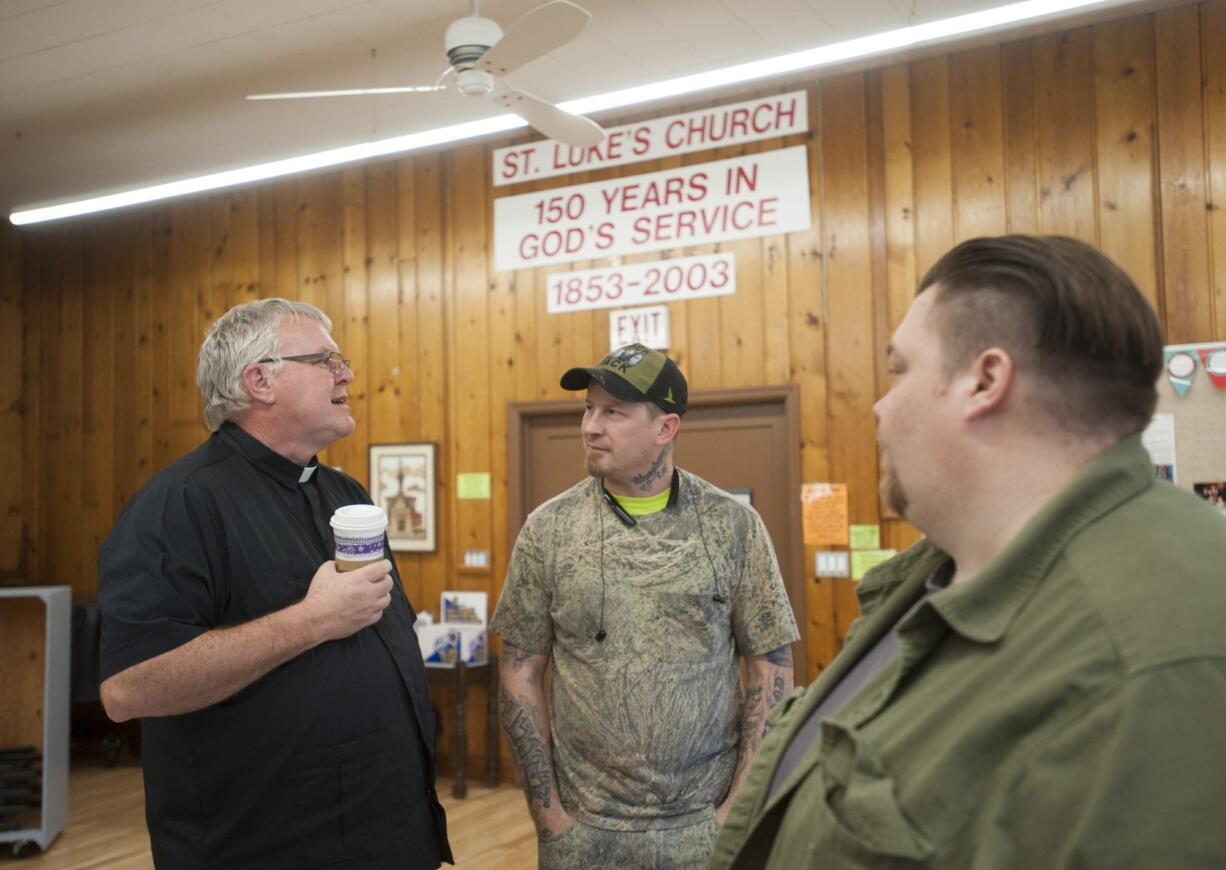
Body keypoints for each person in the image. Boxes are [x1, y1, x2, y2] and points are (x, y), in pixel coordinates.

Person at [710, 235, 1226, 869]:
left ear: (984, 381)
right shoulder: (940, 577)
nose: (879, 404)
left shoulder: (1159, 658)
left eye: (899, 370)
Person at [98, 299, 452, 870]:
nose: (348, 374)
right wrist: (310, 621)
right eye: (325, 359)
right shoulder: (180, 504)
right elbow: (129, 688)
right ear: (259, 381)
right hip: (269, 845)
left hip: (388, 832)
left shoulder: (344, 493)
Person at [491, 343, 799, 870]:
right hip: (586, 830)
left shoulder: (732, 526)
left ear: (666, 428)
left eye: (613, 412)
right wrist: (549, 817)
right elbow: (520, 671)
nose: (590, 425)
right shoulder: (550, 529)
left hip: (703, 826)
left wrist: (735, 809)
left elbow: (771, 666)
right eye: (588, 408)